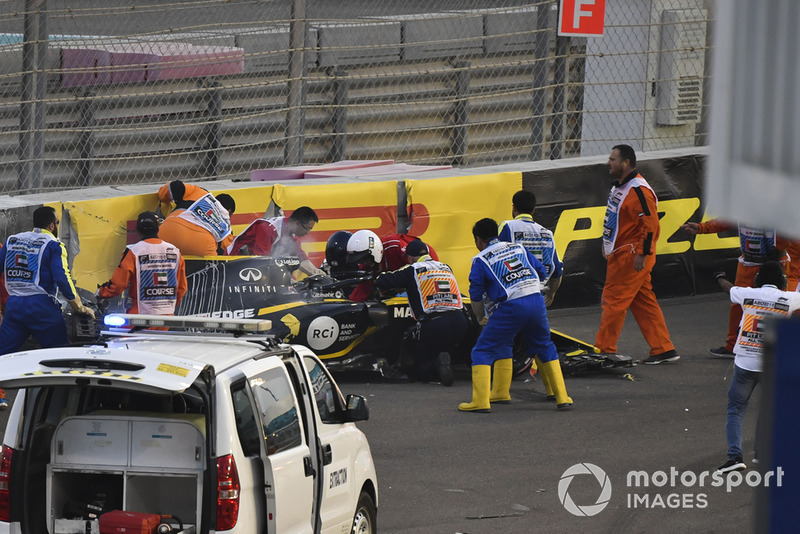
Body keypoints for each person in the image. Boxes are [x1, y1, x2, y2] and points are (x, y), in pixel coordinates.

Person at [459, 218, 572, 413]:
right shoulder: (518, 248)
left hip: (510, 307)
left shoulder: (481, 259)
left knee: (482, 350)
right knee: (543, 346)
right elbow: (540, 270)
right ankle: (561, 397)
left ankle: (480, 401)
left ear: (478, 240)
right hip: (536, 301)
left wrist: (479, 316)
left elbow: (475, 294)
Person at [713, 261, 800, 473]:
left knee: (736, 409)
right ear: (782, 281)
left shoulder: (747, 293)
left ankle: (735, 458)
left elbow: (727, 287)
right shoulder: (790, 298)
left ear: (758, 279)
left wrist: (719, 276)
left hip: (745, 363)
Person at [596, 144, 678, 365]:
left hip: (631, 256)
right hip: (624, 253)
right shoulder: (620, 188)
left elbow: (651, 224)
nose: (608, 163)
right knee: (643, 301)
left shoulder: (639, 190)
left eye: (612, 159)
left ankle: (604, 350)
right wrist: (607, 244)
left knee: (613, 302)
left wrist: (642, 253)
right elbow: (613, 219)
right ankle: (663, 348)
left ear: (626, 163)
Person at [681, 220, 793, 357]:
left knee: (777, 304)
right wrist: (700, 227)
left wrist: (778, 248)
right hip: (748, 263)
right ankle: (732, 346)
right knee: (738, 304)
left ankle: (781, 346)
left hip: (774, 264)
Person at [0, 207, 95, 363]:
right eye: (57, 222)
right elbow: (62, 278)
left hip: (14, 306)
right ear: (52, 226)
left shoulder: (12, 240)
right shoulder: (53, 245)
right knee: (59, 358)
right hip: (42, 308)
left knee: (2, 356)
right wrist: (80, 307)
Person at [374, 239, 467, 386]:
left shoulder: (413, 270)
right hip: (460, 321)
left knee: (419, 369)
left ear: (410, 258)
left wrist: (377, 275)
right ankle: (447, 358)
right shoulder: (446, 267)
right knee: (442, 344)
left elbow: (384, 281)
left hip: (435, 324)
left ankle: (436, 364)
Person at [96, 211, 187, 315]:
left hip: (139, 316)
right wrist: (169, 308)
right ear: (158, 228)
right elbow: (182, 288)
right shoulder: (175, 251)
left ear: (138, 230)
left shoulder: (133, 251)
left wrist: (101, 292)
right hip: (166, 317)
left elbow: (118, 285)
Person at [498, 190, 563, 307]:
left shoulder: (507, 226)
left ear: (514, 208)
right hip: (538, 296)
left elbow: (494, 256)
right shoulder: (547, 233)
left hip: (513, 296)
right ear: (533, 210)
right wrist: (551, 294)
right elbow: (557, 270)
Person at [226, 206, 325, 277]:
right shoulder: (269, 229)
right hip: (232, 263)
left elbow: (301, 258)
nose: (307, 233)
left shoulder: (292, 234)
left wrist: (316, 273)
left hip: (251, 264)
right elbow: (261, 262)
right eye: (307, 229)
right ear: (297, 223)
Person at [157, 180, 236, 256]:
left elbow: (174, 187)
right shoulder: (226, 225)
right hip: (202, 248)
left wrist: (164, 197)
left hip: (169, 233)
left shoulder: (200, 192)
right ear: (228, 211)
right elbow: (226, 254)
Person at [345, 229, 385, 302]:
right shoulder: (365, 268)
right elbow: (362, 291)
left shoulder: (395, 247)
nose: (363, 263)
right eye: (360, 261)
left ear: (373, 253)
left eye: (364, 259)